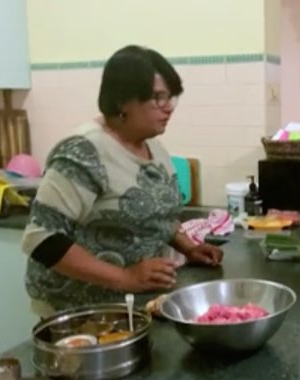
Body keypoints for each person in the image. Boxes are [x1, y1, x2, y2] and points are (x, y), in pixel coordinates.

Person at [21, 45, 223, 317]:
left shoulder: (152, 145)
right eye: (158, 98)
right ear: (122, 102)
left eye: (171, 98)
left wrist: (188, 247)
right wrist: (125, 277)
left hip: (132, 306)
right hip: (78, 312)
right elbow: (42, 240)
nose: (169, 108)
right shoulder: (83, 151)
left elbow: (156, 213)